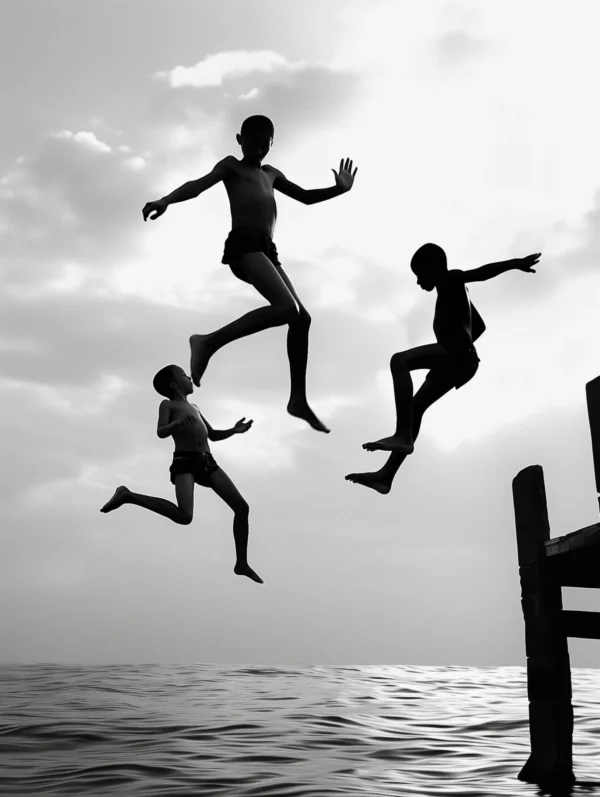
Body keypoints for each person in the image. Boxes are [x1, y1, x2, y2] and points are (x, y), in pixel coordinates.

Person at [142, 114, 358, 434]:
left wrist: (338, 189)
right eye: (252, 139)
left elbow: (307, 197)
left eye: (265, 141)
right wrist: (166, 200)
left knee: (302, 318)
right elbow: (197, 186)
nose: (259, 145)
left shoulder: (271, 174)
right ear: (239, 139)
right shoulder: (232, 166)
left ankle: (297, 399)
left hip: (267, 250)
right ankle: (207, 343)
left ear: (272, 144)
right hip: (244, 246)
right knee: (287, 309)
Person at [346, 243, 541, 494]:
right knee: (415, 407)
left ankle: (402, 434)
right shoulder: (453, 291)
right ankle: (386, 477)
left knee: (399, 361)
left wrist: (515, 263)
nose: (417, 282)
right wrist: (463, 341)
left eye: (419, 274)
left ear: (434, 268)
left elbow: (482, 272)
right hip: (461, 359)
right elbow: (478, 327)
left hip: (457, 355)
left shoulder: (450, 279)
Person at [100, 364, 263, 584]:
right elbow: (160, 431)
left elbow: (212, 435)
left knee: (242, 507)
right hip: (184, 461)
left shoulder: (194, 406)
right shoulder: (168, 404)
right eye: (184, 375)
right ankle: (128, 495)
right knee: (184, 516)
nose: (189, 377)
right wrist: (176, 424)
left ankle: (241, 563)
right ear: (174, 384)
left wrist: (234, 430)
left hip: (207, 462)